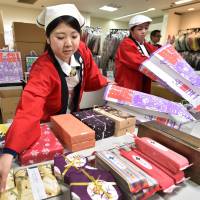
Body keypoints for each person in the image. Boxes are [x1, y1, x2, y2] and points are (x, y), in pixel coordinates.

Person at [0, 4, 108, 192]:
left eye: (74, 36)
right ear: (48, 39)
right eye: (60, 37)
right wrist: (9, 152)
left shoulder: (82, 52)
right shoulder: (42, 68)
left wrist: (111, 87)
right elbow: (29, 109)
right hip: (46, 124)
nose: (68, 43)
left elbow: (92, 78)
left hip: (71, 118)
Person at [114, 15, 158, 93]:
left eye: (146, 28)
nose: (144, 31)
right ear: (131, 31)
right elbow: (138, 62)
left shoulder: (145, 45)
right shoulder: (126, 44)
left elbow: (158, 53)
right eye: (140, 29)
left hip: (142, 84)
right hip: (129, 85)